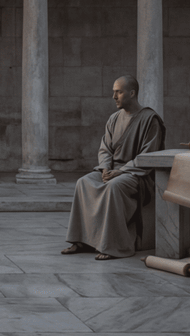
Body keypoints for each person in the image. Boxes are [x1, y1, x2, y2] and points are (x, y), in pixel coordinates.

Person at [63, 75, 165, 260]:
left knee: (113, 187)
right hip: (111, 170)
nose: (114, 96)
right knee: (83, 182)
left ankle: (113, 246)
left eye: (118, 91)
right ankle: (81, 240)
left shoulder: (150, 120)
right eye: (113, 92)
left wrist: (122, 171)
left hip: (137, 175)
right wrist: (104, 169)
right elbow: (105, 149)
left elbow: (149, 155)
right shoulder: (113, 119)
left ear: (132, 93)